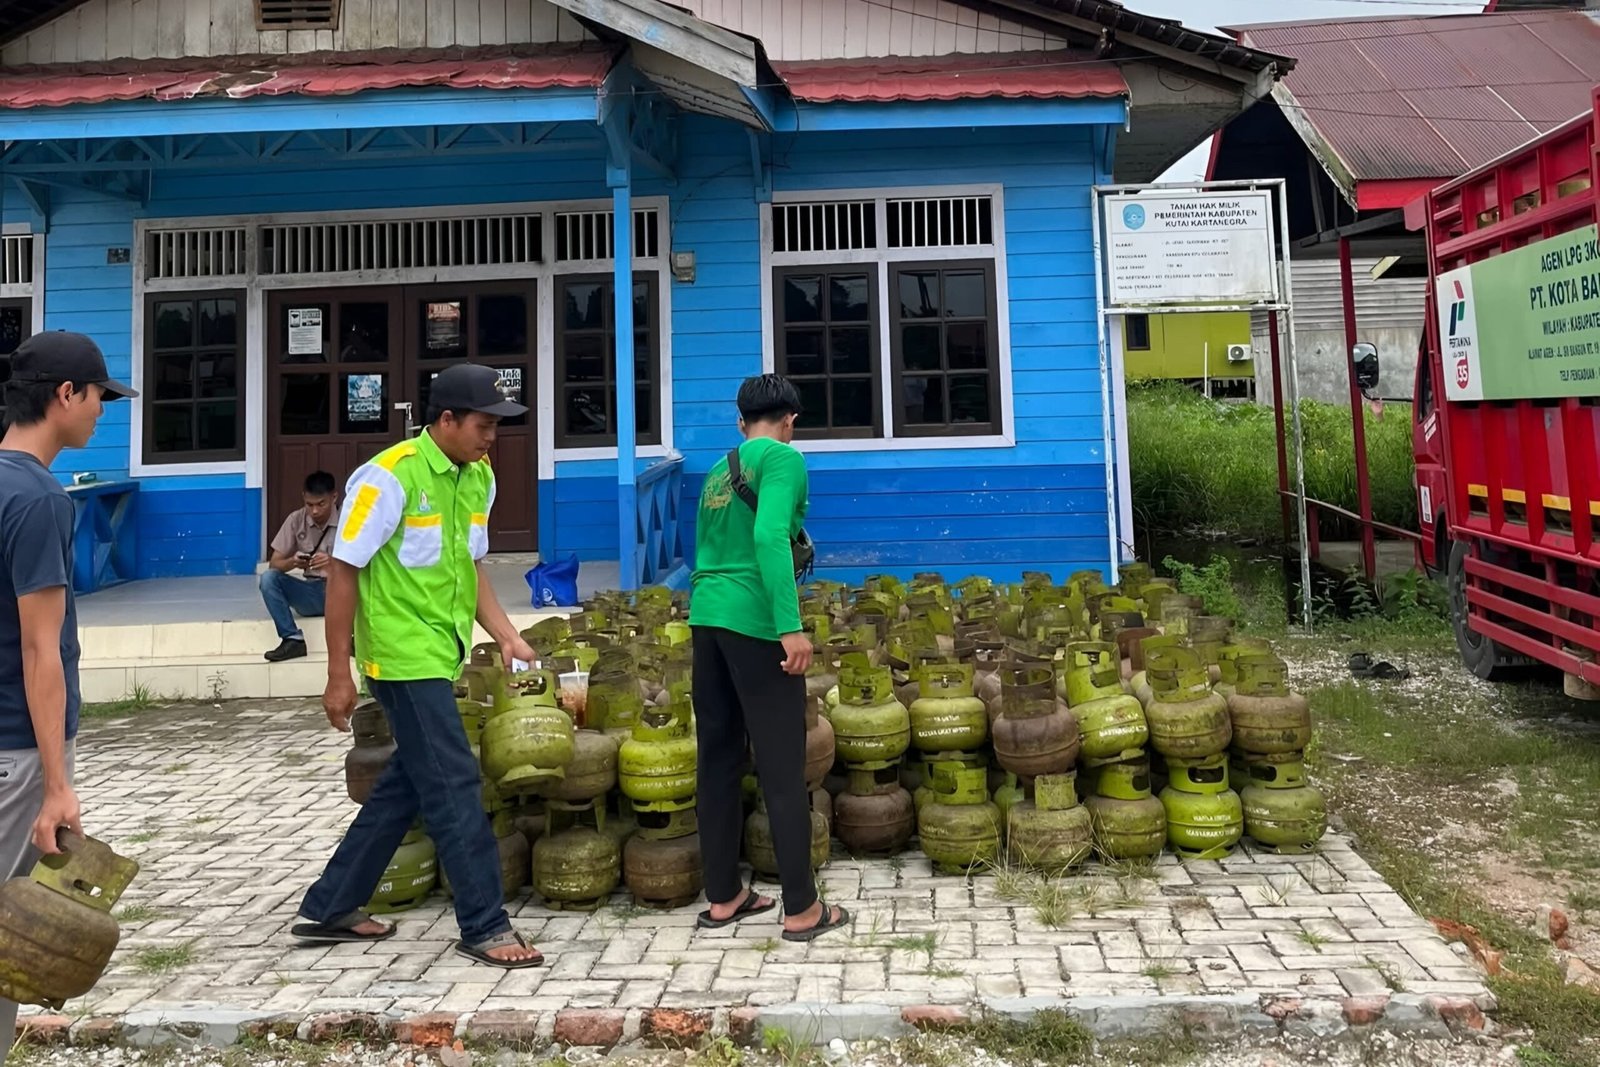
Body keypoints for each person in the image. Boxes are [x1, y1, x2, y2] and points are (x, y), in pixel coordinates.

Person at [292, 363, 543, 969]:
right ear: (447, 420)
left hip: (442, 648)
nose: (492, 438)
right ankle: (485, 925)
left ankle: (332, 905)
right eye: (484, 425)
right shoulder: (387, 478)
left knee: (411, 780)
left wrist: (507, 634)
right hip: (401, 658)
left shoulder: (478, 477)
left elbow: (470, 566)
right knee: (455, 781)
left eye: (498, 427)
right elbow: (343, 571)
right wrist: (336, 673)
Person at [0, 332, 135, 1057]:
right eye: (100, 398)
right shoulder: (41, 499)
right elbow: (38, 647)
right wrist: (57, 785)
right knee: (9, 930)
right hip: (16, 747)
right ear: (64, 395)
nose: (102, 414)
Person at [688, 373, 848, 942]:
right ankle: (803, 908)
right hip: (756, 622)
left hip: (706, 620)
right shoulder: (783, 460)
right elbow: (769, 538)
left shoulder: (716, 471)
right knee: (782, 766)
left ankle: (725, 896)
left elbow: (708, 551)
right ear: (789, 420)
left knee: (719, 761)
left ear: (740, 421)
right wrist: (791, 628)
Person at [260, 470, 340, 663]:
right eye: (309, 504)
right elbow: (275, 563)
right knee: (268, 578)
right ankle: (292, 639)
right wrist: (292, 563)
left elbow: (367, 564)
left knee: (364, 582)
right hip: (311, 591)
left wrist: (333, 563)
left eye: (321, 504)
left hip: (341, 590)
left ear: (334, 497)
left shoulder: (350, 519)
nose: (314, 511)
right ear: (303, 498)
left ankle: (354, 638)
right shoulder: (296, 519)